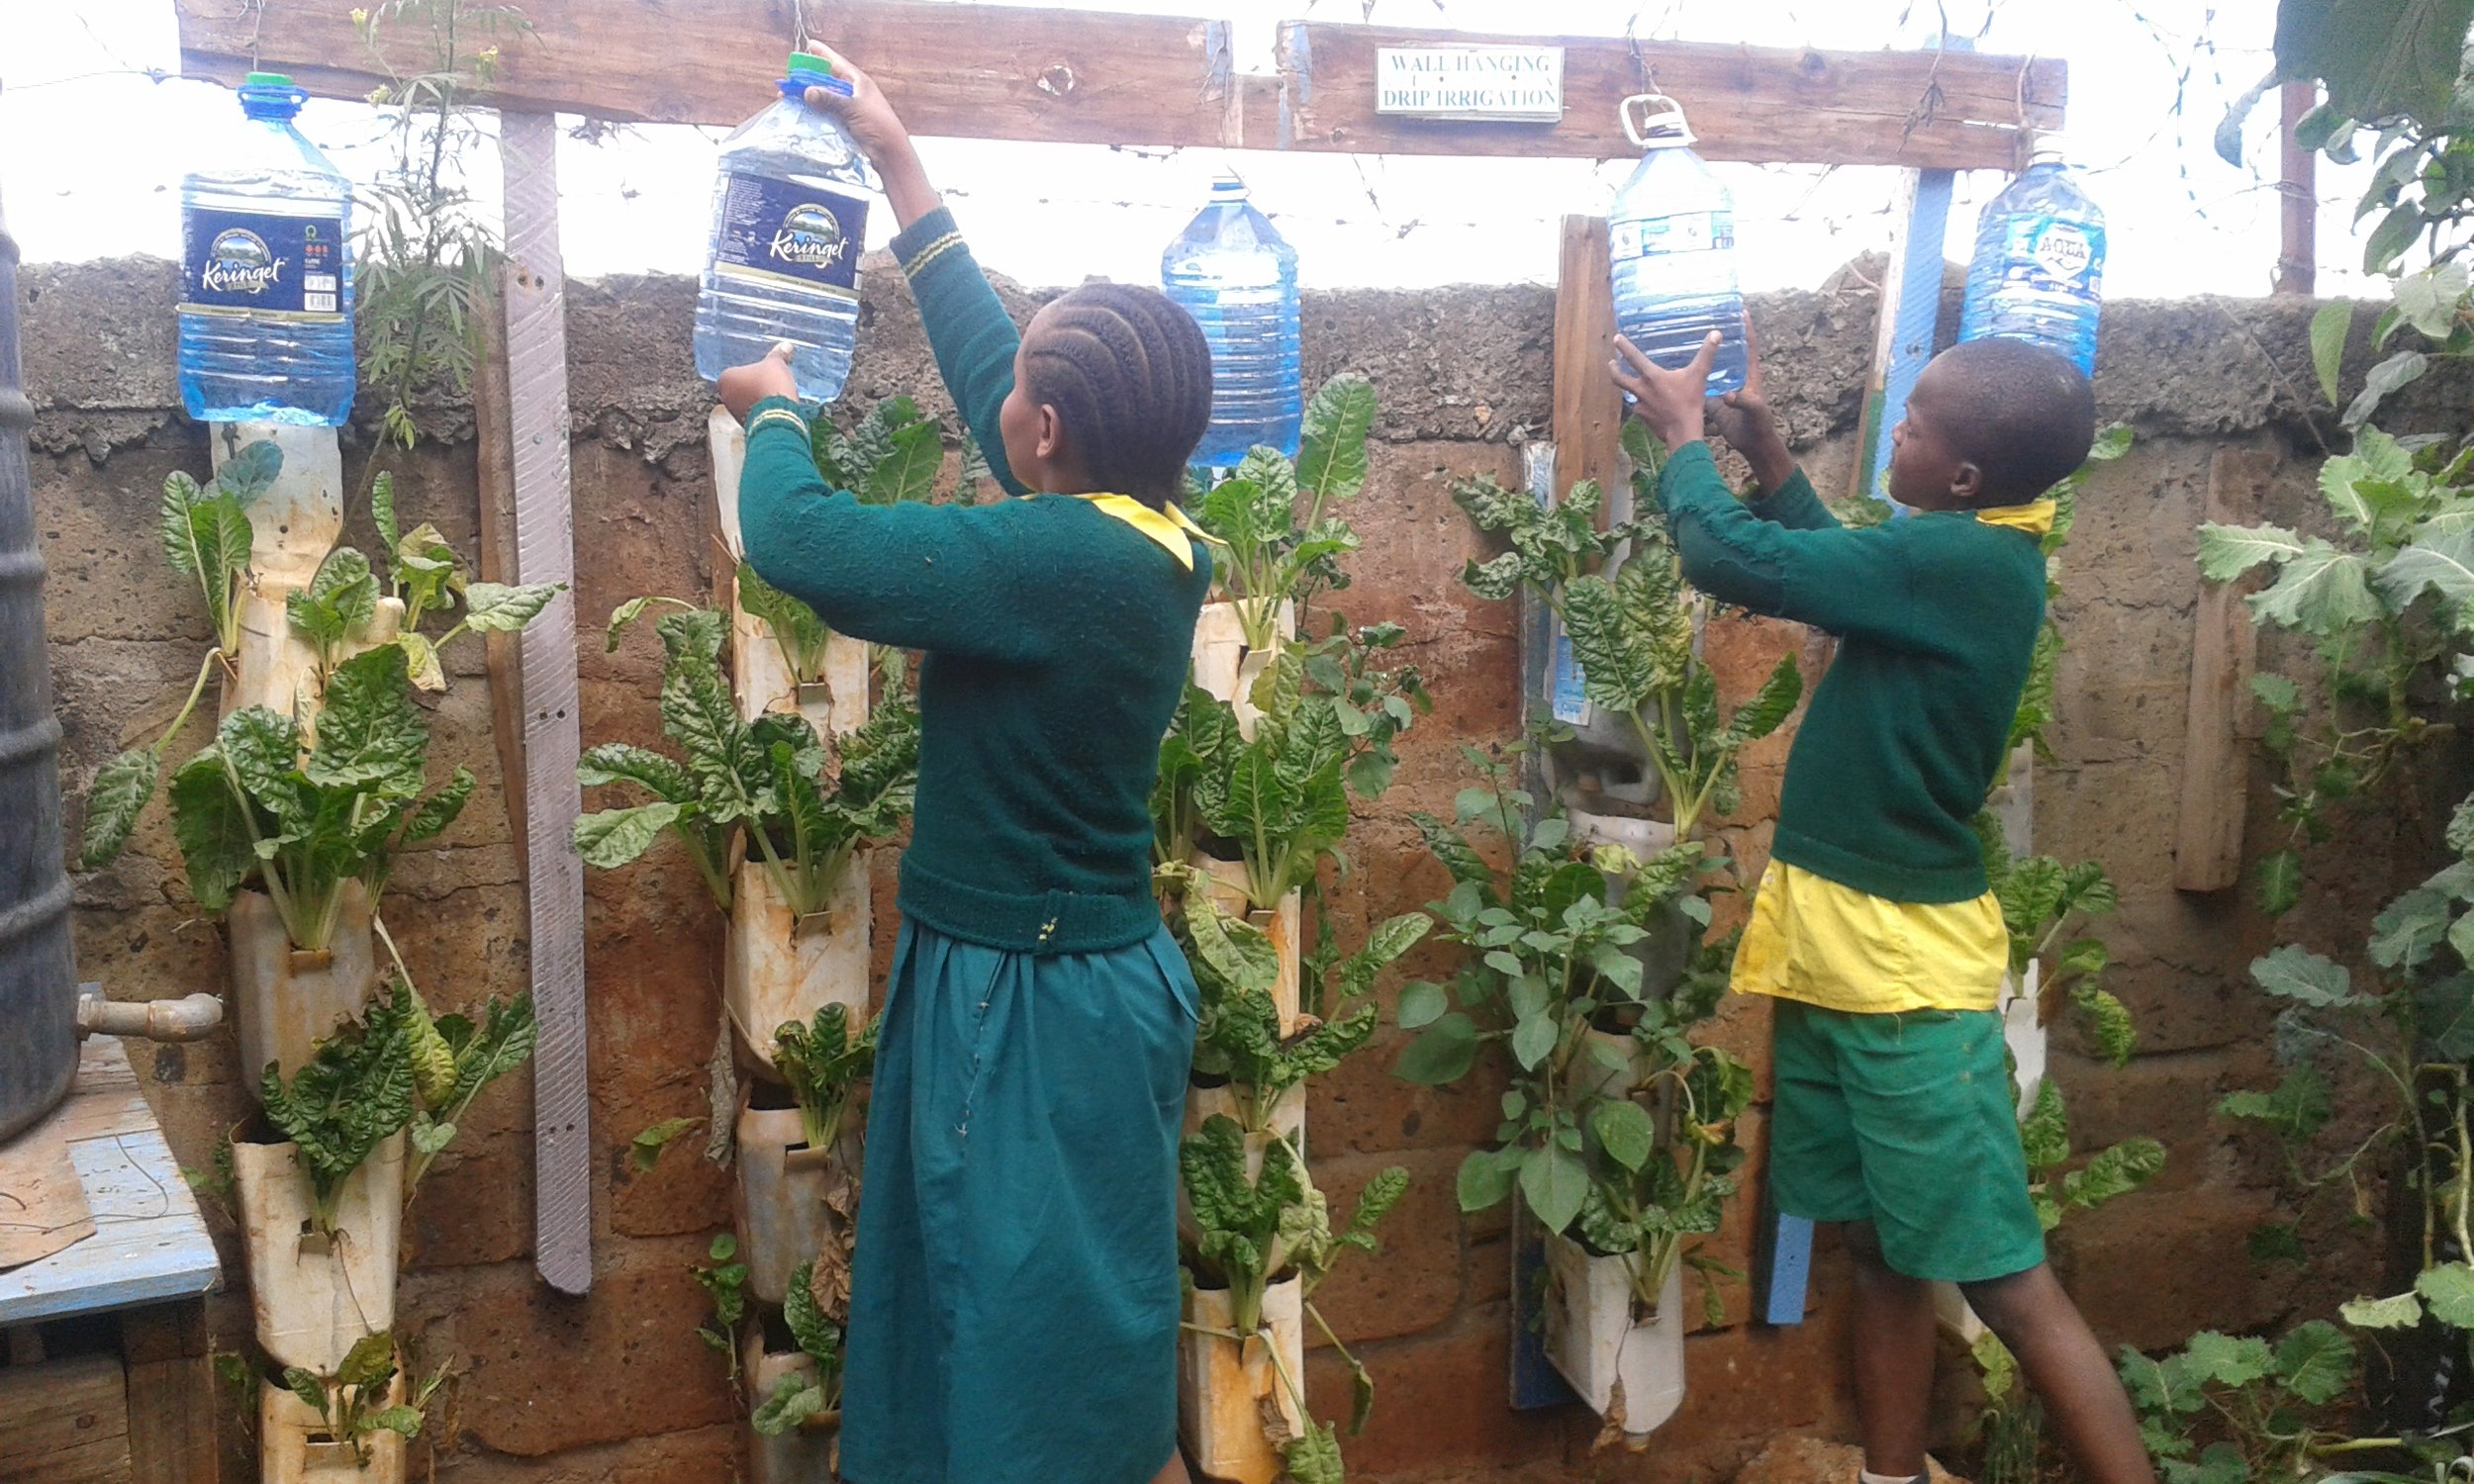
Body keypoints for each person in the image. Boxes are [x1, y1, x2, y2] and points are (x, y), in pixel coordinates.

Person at [714, 46, 1214, 1484]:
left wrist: (781, 411)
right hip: (1070, 984)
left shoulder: (1056, 563)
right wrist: (901, 169)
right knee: (1063, 1325)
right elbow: (1007, 373)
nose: (1010, 404)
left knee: (1027, 1342)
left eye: (1029, 407)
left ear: (1046, 444)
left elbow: (811, 548)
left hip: (1026, 1002)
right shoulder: (1140, 539)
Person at [1609, 325, 2155, 1484]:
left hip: (1907, 980)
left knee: (2003, 1277)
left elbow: (1731, 563)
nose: (1892, 437)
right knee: (1885, 1252)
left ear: (1960, 479)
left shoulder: (1961, 564)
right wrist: (1774, 470)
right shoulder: (1957, 553)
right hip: (1839, 960)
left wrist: (1679, 441)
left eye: (1908, 430)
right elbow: (1846, 576)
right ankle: (1887, 1477)